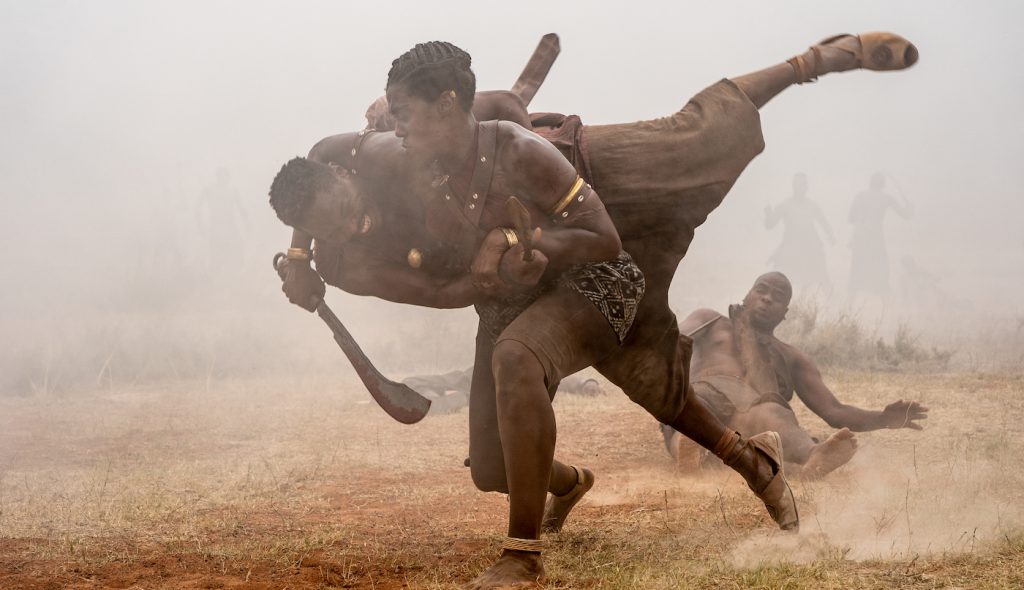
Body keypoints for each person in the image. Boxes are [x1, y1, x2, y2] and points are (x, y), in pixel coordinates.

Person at [270, 33, 919, 588]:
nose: (399, 131)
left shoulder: (495, 146)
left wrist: (533, 241)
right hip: (515, 287)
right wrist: (302, 256)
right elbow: (357, 216)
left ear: (442, 107)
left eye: (409, 116)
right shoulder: (380, 195)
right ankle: (697, 470)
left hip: (590, 246)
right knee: (527, 448)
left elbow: (594, 231)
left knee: (688, 141)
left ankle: (522, 557)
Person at [662, 272, 929, 478]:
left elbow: (834, 411)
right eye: (761, 290)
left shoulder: (791, 357)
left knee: (776, 414)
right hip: (706, 392)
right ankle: (688, 450)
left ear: (784, 313)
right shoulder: (711, 320)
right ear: (748, 294)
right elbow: (672, 339)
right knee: (691, 410)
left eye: (777, 296)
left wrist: (882, 419)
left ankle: (815, 454)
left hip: (753, 414)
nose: (767, 298)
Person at [848, 171, 914, 303]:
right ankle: (887, 303)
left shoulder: (859, 196)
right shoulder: (886, 198)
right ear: (883, 184)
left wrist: (861, 223)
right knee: (881, 269)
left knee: (857, 269)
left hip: (860, 238)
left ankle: (850, 301)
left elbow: (851, 218)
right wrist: (910, 207)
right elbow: (906, 215)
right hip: (875, 240)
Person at [764, 172, 835, 293]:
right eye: (797, 184)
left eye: (803, 185)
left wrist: (831, 235)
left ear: (806, 187)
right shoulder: (785, 205)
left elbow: (823, 221)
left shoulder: (811, 205)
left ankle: (830, 301)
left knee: (821, 275)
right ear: (793, 186)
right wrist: (768, 214)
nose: (800, 187)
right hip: (790, 246)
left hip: (811, 246)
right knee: (780, 275)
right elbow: (770, 224)